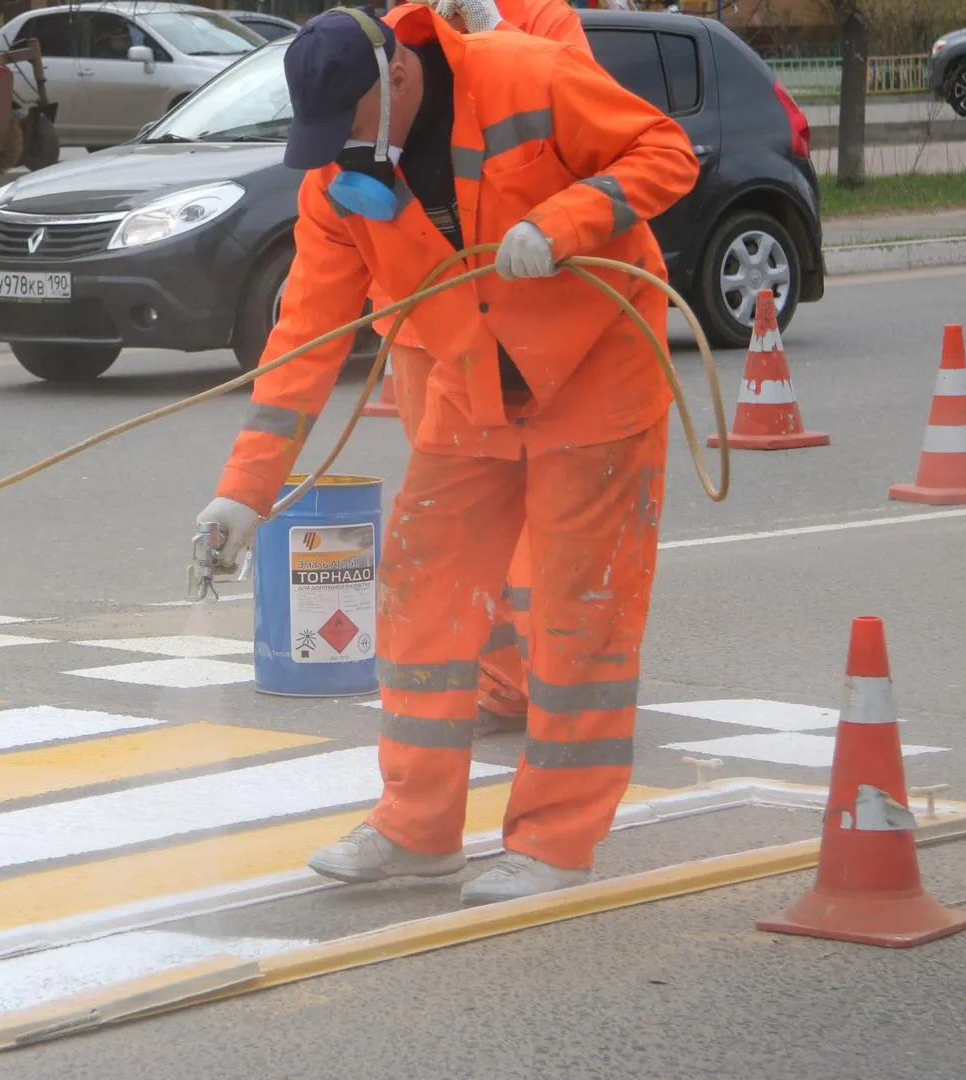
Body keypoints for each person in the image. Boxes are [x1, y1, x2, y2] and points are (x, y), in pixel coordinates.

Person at [193, 3, 698, 905]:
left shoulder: (523, 77)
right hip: (473, 391)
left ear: (397, 79)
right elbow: (304, 339)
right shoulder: (338, 184)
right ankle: (417, 828)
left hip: (597, 375)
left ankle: (556, 842)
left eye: (347, 123)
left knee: (580, 620)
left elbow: (664, 152)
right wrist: (243, 495)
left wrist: (568, 222)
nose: (341, 149)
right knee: (422, 595)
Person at [383, 0, 591, 743]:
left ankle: (558, 682)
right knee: (459, 513)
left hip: (523, 314)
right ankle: (505, 681)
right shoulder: (404, 21)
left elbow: (581, 105)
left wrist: (492, 32)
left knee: (536, 523)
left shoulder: (544, 19)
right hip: (424, 320)